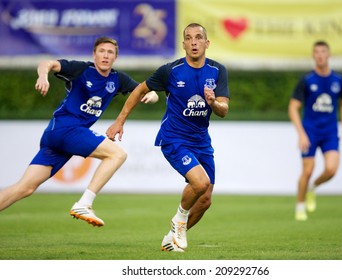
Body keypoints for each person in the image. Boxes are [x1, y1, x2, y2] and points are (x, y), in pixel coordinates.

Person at [0, 36, 158, 227]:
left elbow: (146, 90)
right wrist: (43, 76)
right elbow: (46, 63)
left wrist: (151, 95)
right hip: (65, 128)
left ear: (115, 57)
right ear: (94, 54)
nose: (105, 56)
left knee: (24, 188)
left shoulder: (118, 79)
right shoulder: (81, 69)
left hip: (59, 136)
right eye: (101, 51)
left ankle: (84, 203)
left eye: (110, 52)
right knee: (117, 154)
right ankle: (84, 203)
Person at [106, 23, 230, 252]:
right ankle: (179, 220)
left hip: (201, 140)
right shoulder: (170, 71)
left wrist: (213, 102)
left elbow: (224, 110)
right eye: (189, 38)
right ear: (183, 44)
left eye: (199, 37)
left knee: (205, 200)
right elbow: (140, 89)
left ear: (207, 43)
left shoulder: (217, 70)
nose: (194, 42)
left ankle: (171, 236)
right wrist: (120, 120)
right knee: (200, 183)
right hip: (174, 138)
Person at [288, 40, 342, 221]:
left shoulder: (339, 80)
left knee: (331, 169)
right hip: (310, 132)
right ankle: (300, 206)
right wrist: (301, 133)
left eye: (323, 52)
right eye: (317, 52)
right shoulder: (307, 80)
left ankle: (313, 187)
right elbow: (293, 107)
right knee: (307, 171)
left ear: (328, 55)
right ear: (313, 55)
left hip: (330, 132)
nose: (320, 55)